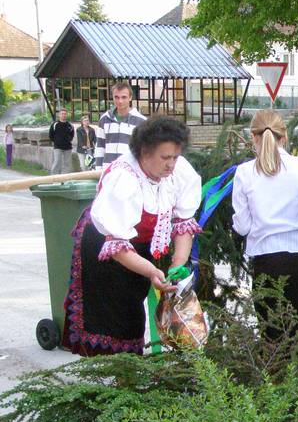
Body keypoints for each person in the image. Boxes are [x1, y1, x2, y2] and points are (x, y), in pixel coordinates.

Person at [63, 116, 202, 356]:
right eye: (165, 157)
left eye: (175, 157)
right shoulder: (124, 178)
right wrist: (151, 271)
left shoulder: (179, 172)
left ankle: (127, 369)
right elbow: (117, 247)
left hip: (138, 248)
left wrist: (178, 263)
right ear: (144, 153)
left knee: (133, 313)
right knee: (113, 320)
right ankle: (111, 372)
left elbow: (183, 223)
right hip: (106, 248)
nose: (171, 164)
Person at [232, 110, 298, 340]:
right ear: (284, 136)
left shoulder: (244, 172)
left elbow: (242, 227)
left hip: (266, 262)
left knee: (273, 339)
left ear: (253, 137)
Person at [95, 82, 147, 170]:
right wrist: (98, 170)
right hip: (108, 170)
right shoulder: (104, 119)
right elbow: (100, 147)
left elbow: (144, 150)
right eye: (116, 97)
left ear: (130, 97)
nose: (120, 101)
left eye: (124, 97)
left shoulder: (141, 121)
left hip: (129, 171)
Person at [49, 109, 74, 174]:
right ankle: (54, 177)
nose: (63, 115)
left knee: (67, 163)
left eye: (65, 114)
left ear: (66, 115)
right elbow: (51, 135)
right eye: (62, 114)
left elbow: (72, 135)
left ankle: (65, 177)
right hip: (58, 147)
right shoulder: (55, 124)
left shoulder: (70, 125)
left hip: (68, 147)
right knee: (57, 162)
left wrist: (68, 140)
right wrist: (56, 141)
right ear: (59, 115)